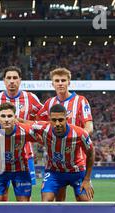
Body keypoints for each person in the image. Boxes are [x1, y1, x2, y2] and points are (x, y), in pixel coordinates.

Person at [36, 67, 94, 201]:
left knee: (84, 201)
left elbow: (89, 126)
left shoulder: (81, 101)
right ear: (52, 83)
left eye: (63, 80)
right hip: (56, 162)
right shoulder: (49, 103)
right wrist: (48, 141)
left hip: (76, 159)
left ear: (69, 82)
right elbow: (39, 127)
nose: (60, 83)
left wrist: (74, 138)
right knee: (58, 201)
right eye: (57, 80)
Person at [0, 65, 44, 199]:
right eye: (9, 78)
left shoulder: (31, 98)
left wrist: (24, 122)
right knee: (1, 194)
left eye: (15, 78)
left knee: (24, 197)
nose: (12, 81)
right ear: (4, 81)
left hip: (24, 154)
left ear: (20, 80)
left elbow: (42, 120)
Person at [26, 104, 95, 202]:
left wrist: (87, 179)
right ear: (49, 119)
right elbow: (25, 123)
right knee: (46, 201)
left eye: (61, 120)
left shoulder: (80, 133)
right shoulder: (44, 128)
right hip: (55, 172)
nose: (57, 123)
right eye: (54, 120)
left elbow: (91, 153)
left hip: (77, 172)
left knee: (86, 202)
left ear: (66, 119)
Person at [0, 102, 35, 202]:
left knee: (24, 202)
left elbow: (44, 137)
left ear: (15, 118)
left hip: (20, 169)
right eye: (3, 116)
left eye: (9, 116)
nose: (6, 119)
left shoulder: (25, 131)